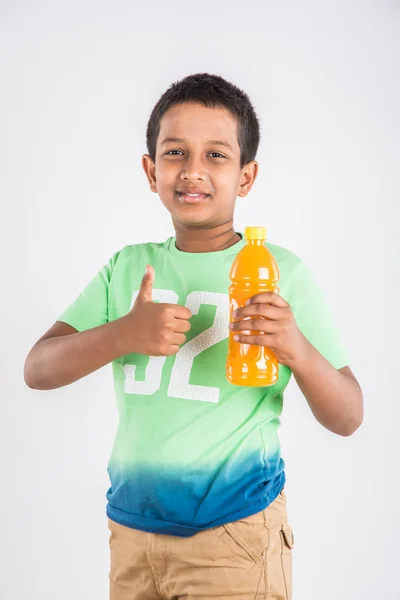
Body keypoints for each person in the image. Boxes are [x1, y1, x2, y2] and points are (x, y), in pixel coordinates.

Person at [24, 73, 364, 600]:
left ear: (247, 177)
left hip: (234, 535)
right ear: (150, 169)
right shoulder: (127, 268)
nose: (193, 171)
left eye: (217, 156)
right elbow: (37, 369)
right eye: (176, 152)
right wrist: (122, 333)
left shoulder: (282, 273)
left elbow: (347, 416)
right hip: (132, 533)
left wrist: (295, 346)